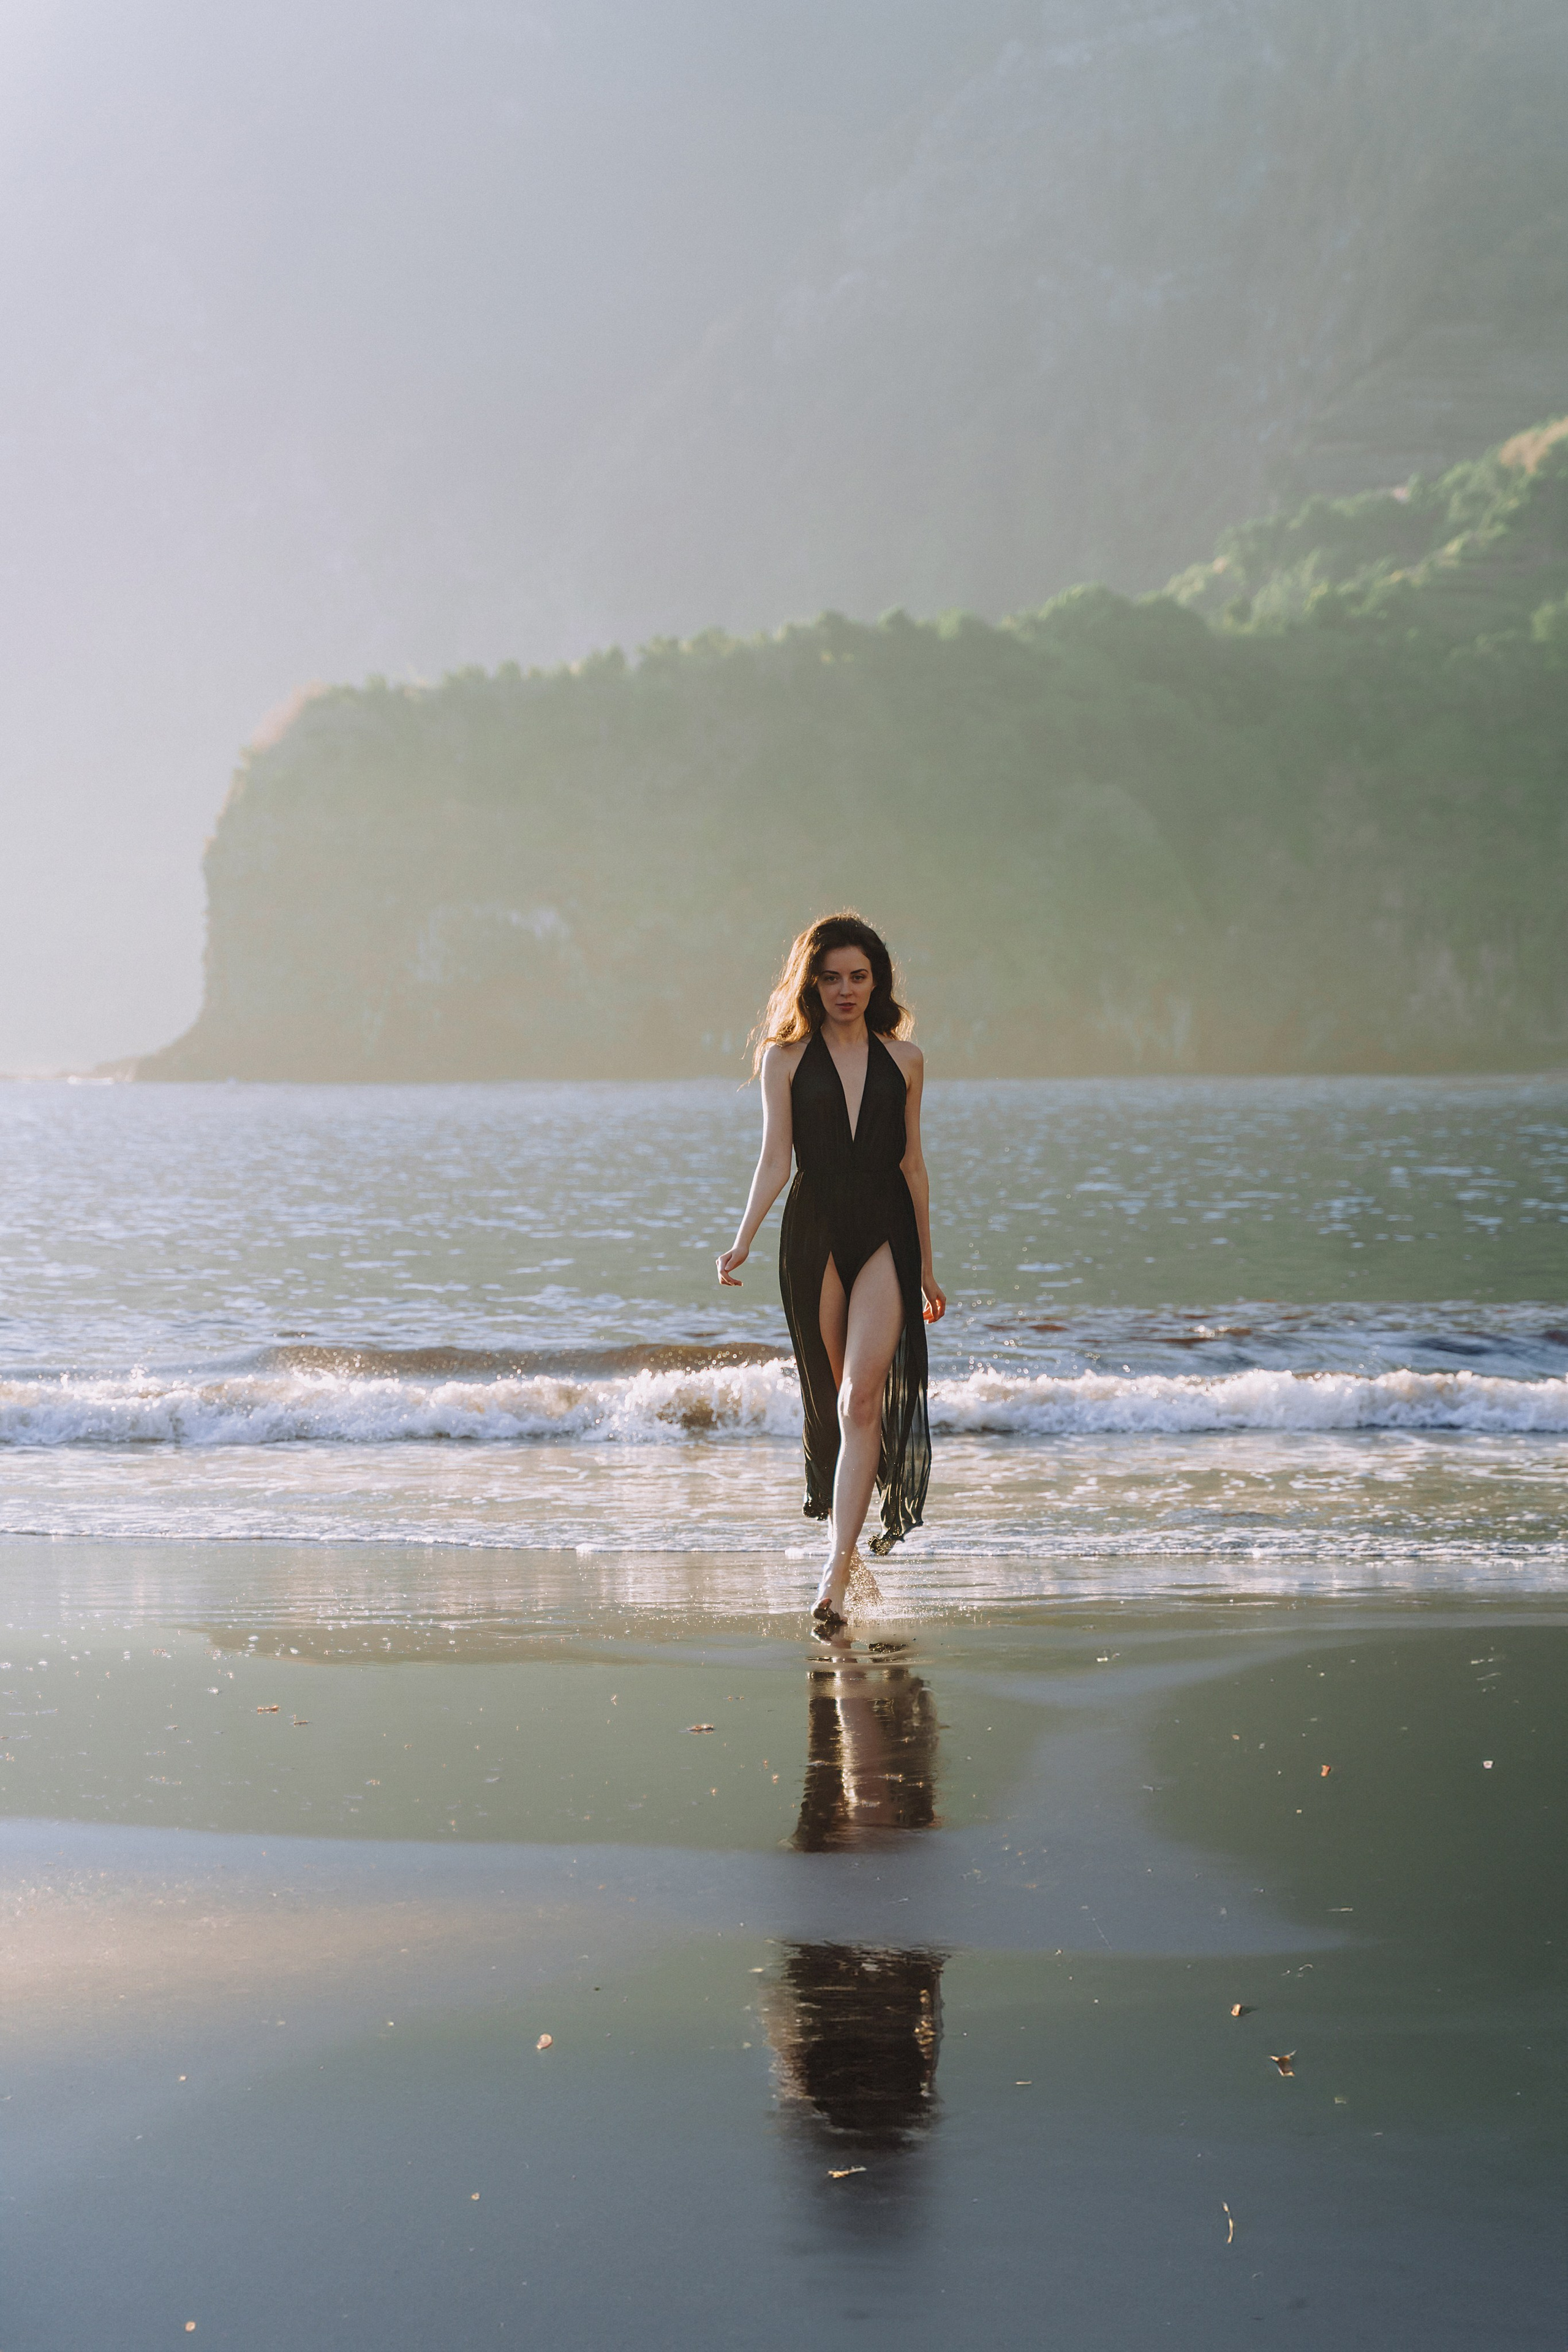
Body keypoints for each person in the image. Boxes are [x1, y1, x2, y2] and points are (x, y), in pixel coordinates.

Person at [716, 913, 944, 1625]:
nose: (845, 989)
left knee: (860, 1400)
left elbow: (911, 1164)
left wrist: (929, 1270)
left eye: (858, 976)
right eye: (831, 976)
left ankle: (834, 1574)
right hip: (813, 1232)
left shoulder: (905, 1059)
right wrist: (742, 1238)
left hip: (885, 1230)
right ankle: (842, 1557)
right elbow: (774, 1160)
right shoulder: (782, 1061)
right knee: (831, 1398)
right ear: (810, 981)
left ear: (876, 982)